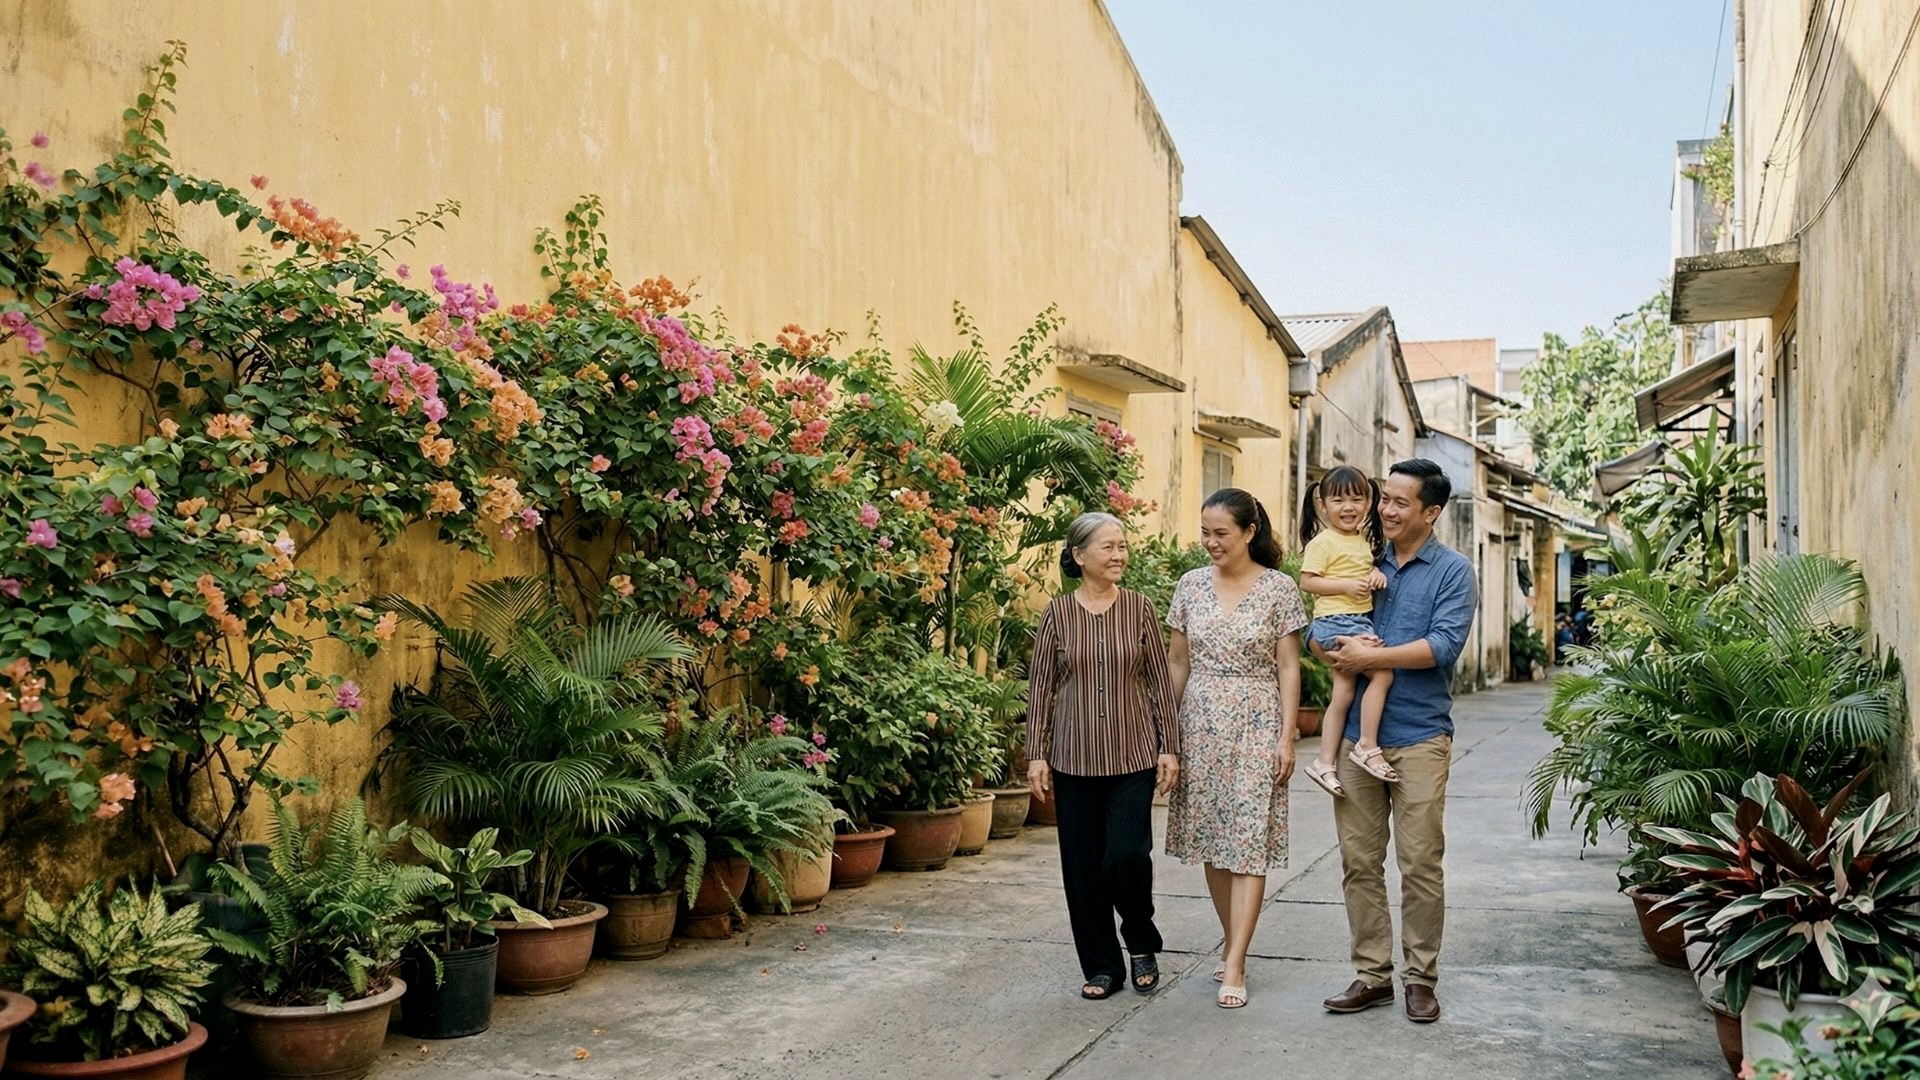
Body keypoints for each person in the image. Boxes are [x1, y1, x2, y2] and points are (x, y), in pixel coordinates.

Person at [1319, 458, 1475, 1025]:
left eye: (1399, 502)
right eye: (1384, 498)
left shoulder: (1454, 571)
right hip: (1360, 736)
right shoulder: (1360, 559)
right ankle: (1371, 975)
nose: (1384, 509)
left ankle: (1420, 979)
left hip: (1420, 736)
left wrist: (1371, 656)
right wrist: (1332, 649)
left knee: (1420, 863)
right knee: (1359, 861)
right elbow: (1328, 625)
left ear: (1431, 512)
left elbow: (1443, 645)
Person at [1026, 512, 1181, 1001]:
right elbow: (1041, 687)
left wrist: (1169, 746)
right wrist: (1036, 753)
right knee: (1082, 866)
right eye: (1108, 547)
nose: (1119, 555)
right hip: (1072, 759)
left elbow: (1159, 680)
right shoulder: (1057, 612)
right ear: (1079, 556)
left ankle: (1140, 940)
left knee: (1126, 856)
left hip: (1132, 755)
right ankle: (1101, 966)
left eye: (1122, 546)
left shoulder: (1138, 608)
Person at [1164, 487, 1307, 1010]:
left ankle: (1236, 961)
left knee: (1248, 842)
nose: (1210, 543)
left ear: (1250, 533)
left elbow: (1289, 666)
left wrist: (1286, 734)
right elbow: (1177, 662)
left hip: (1256, 720)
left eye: (1221, 533)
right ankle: (1233, 942)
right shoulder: (1190, 585)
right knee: (1212, 842)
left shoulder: (1279, 588)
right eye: (1205, 533)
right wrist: (1166, 735)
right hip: (1198, 722)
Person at [1296, 465, 1394, 799]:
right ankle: (1367, 744)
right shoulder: (1323, 542)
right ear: (1322, 505)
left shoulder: (1364, 542)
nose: (1348, 507)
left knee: (1344, 692)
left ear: (1369, 502)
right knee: (1381, 674)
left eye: (1356, 498)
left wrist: (1376, 575)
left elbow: (1365, 574)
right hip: (1335, 623)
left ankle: (1324, 761)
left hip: (1355, 622)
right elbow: (1307, 581)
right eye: (1338, 500)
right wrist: (1347, 585)